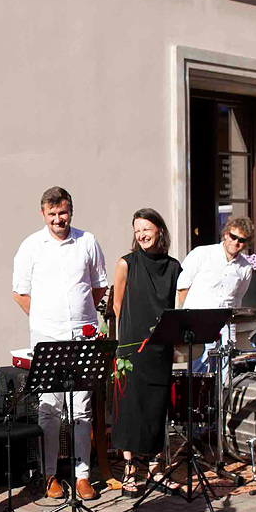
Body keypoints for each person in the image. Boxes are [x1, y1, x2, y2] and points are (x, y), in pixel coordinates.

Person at [12, 187, 108, 500]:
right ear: (43, 215)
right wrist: (44, 320)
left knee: (81, 407)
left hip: (82, 335)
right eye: (52, 214)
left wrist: (81, 320)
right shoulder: (30, 246)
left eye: (63, 213)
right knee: (49, 407)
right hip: (47, 337)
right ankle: (49, 474)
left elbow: (98, 288)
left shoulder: (87, 241)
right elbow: (20, 292)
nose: (58, 219)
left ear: (71, 211)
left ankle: (82, 475)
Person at [110, 209, 182, 497]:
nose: (141, 235)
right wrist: (132, 339)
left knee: (156, 409)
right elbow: (117, 306)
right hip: (131, 349)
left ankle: (155, 467)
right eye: (137, 230)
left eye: (146, 229)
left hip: (160, 348)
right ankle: (130, 470)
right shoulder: (126, 263)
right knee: (129, 408)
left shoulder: (174, 267)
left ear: (159, 230)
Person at [176, 215, 254, 373]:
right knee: (198, 372)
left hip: (225, 327)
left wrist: (231, 330)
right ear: (225, 234)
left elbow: (237, 298)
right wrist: (189, 319)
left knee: (225, 375)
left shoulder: (245, 267)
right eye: (233, 237)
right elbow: (182, 286)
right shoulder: (202, 254)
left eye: (242, 240)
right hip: (199, 323)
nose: (236, 242)